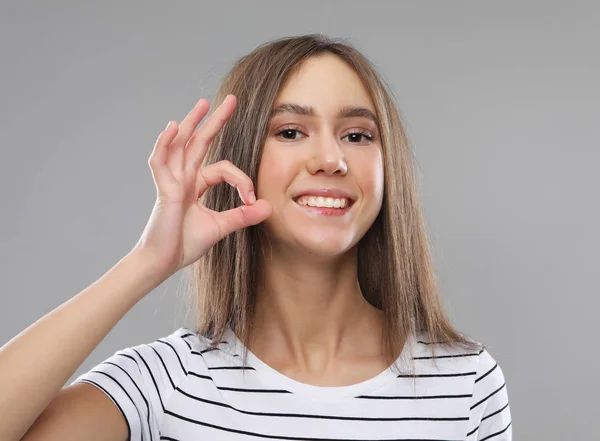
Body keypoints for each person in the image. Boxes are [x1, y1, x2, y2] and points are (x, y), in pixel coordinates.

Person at [0, 34, 512, 441]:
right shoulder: (167, 383)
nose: (331, 160)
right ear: (242, 160)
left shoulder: (466, 383)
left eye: (357, 135)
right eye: (290, 131)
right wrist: (147, 262)